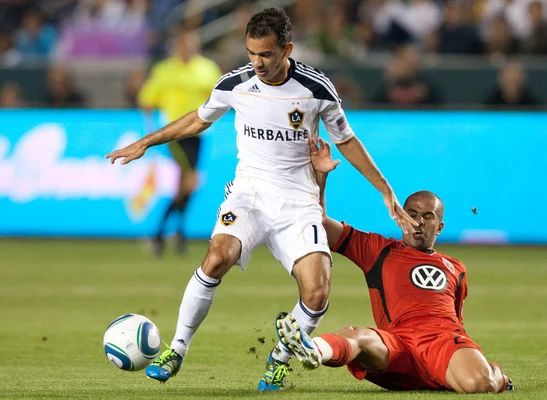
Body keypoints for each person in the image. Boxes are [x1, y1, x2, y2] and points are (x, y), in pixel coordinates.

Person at [106, 7, 417, 391]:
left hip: (298, 203)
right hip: (249, 194)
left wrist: (386, 190)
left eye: (266, 55)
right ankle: (178, 350)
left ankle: (280, 360)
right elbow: (198, 119)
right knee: (217, 256)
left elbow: (346, 140)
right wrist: (144, 142)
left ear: (286, 49)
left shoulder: (316, 88)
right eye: (251, 53)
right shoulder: (235, 84)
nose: (257, 63)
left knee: (317, 293)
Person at [274, 138, 514, 394]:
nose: (418, 222)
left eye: (427, 216)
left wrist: (461, 357)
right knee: (357, 335)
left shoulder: (455, 267)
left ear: (439, 227)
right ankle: (313, 349)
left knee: (479, 385)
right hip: (396, 347)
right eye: (411, 213)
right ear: (400, 216)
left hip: (442, 343)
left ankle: (495, 374)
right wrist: (321, 176)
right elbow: (319, 222)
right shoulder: (378, 250)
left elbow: (457, 321)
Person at [137, 28, 222, 255]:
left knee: (186, 186)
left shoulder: (207, 69)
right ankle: (167, 234)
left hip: (199, 134)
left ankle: (166, 235)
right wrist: (152, 134)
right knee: (191, 181)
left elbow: (219, 97)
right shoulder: (164, 71)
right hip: (175, 134)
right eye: (184, 45)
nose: (187, 49)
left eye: (191, 45)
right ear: (177, 47)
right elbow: (147, 100)